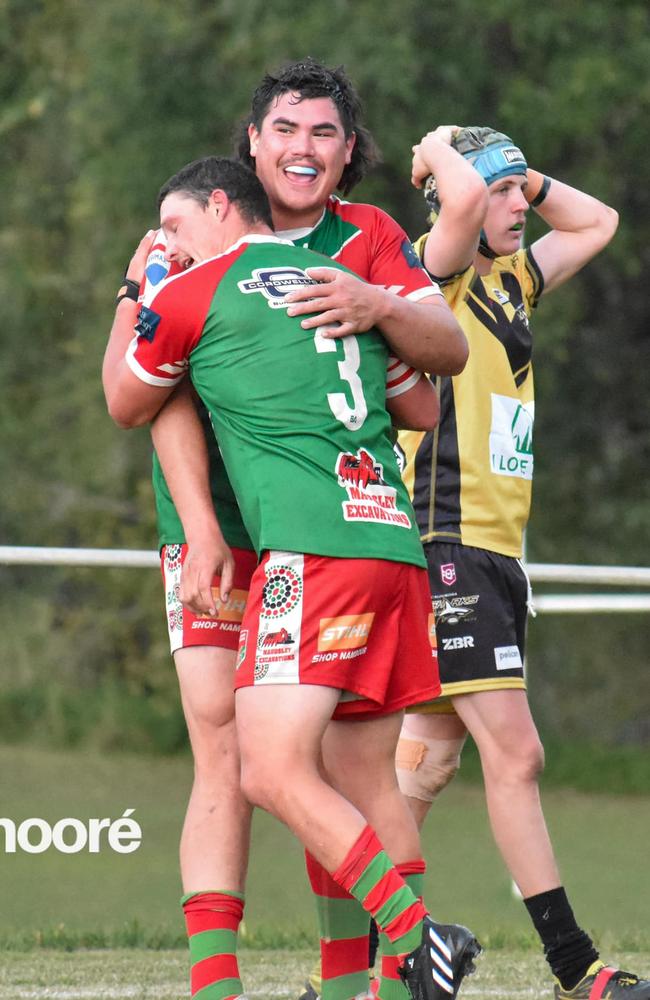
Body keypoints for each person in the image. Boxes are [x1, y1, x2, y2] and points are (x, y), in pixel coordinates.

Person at [108, 58, 468, 1000]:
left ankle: (375, 977)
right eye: (285, 130)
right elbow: (157, 401)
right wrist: (198, 522)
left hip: (320, 528)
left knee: (338, 765)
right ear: (253, 143)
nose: (302, 148)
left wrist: (380, 305)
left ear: (349, 152)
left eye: (323, 133)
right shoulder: (189, 239)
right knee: (228, 747)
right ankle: (217, 985)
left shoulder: (369, 239)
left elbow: (443, 367)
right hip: (234, 529)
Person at [395, 125, 650, 1000]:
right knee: (519, 754)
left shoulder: (511, 278)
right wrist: (441, 151)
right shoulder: (444, 263)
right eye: (496, 192)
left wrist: (525, 175)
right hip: (446, 541)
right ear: (452, 197)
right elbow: (462, 205)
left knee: (425, 760)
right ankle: (576, 969)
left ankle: (371, 964)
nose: (514, 206)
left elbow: (598, 223)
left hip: (498, 550)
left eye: (518, 193)